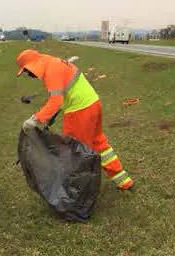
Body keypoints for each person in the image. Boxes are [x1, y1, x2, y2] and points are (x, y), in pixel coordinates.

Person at [16, 49, 134, 190]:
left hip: (79, 112)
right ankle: (124, 180)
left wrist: (34, 120)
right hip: (93, 104)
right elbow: (66, 92)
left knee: (73, 152)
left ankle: (76, 193)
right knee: (100, 145)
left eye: (27, 71)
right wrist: (49, 116)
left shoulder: (51, 71)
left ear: (32, 66)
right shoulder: (56, 63)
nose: (29, 75)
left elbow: (56, 101)